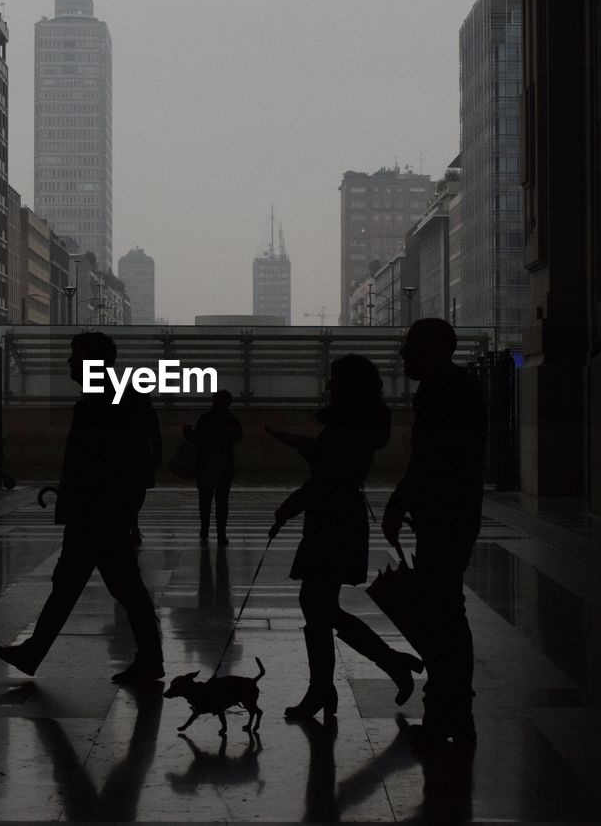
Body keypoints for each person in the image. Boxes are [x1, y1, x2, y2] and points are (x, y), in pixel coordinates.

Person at [0, 332, 164, 684]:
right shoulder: (126, 398)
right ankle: (147, 658)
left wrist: (86, 500)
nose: (70, 362)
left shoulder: (98, 403)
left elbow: (94, 462)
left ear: (93, 362)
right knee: (114, 587)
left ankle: (36, 652)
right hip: (105, 511)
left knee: (86, 585)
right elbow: (146, 456)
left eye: (75, 356)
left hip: (96, 513)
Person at [268, 354, 424, 720]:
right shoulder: (358, 422)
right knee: (320, 606)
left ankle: (333, 685)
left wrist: (288, 504)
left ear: (349, 387)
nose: (328, 388)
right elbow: (331, 467)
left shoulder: (348, 426)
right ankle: (365, 672)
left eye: (334, 382)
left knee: (317, 604)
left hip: (332, 519)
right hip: (339, 517)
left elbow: (327, 473)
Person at [382, 318, 485, 747]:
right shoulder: (455, 386)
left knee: (442, 616)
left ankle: (449, 713)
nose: (404, 355)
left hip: (444, 517)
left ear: (433, 350)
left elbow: (430, 458)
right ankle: (450, 712)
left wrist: (400, 501)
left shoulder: (441, 391)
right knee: (445, 612)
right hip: (451, 514)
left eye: (411, 347)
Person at [184, 390, 243, 544]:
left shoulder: (205, 419)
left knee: (205, 499)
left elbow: (195, 438)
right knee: (222, 501)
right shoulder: (232, 420)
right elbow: (238, 438)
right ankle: (221, 534)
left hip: (205, 463)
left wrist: (187, 432)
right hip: (224, 464)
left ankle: (204, 529)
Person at [127, 389, 163, 546]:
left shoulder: (123, 411)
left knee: (127, 494)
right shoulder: (148, 413)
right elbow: (155, 436)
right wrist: (157, 456)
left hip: (126, 457)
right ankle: (133, 525)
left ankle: (129, 525)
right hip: (142, 456)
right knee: (138, 493)